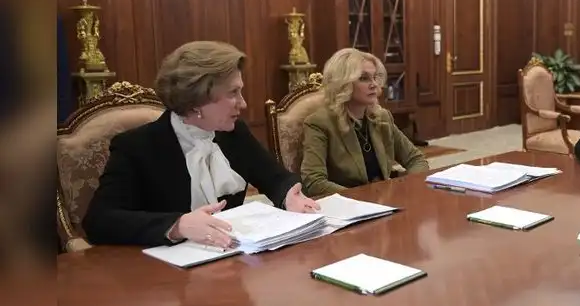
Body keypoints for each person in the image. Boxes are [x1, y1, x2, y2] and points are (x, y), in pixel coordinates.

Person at [83, 41, 320, 249]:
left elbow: (274, 177)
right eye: (233, 93)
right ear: (196, 99)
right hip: (163, 277)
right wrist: (177, 225)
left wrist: (289, 195)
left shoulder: (233, 133)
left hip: (233, 261)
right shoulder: (136, 147)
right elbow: (99, 221)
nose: (243, 103)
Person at [300, 48, 428, 198]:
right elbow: (314, 182)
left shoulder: (381, 117)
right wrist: (362, 197)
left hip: (384, 202)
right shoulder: (319, 123)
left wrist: (405, 187)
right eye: (364, 78)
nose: (374, 84)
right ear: (343, 84)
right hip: (347, 207)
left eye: (374, 77)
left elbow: (416, 160)